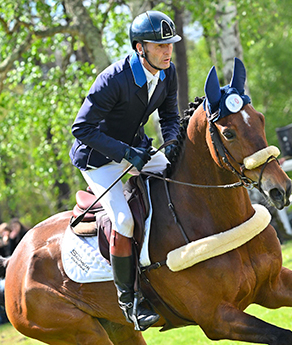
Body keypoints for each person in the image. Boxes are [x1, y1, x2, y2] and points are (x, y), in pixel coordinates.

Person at [68, 10, 183, 329]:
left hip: (136, 148)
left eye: (170, 45)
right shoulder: (113, 78)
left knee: (182, 176)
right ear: (139, 48)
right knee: (123, 219)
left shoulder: (167, 72)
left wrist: (172, 143)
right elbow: (82, 128)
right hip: (98, 157)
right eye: (159, 46)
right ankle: (129, 301)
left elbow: (170, 116)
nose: (167, 51)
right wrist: (126, 154)